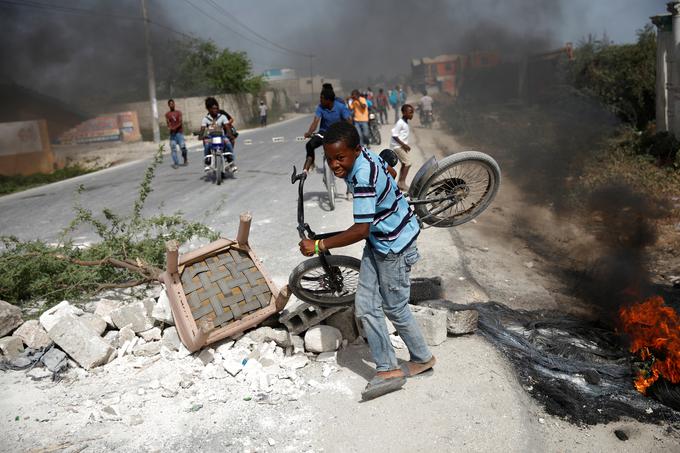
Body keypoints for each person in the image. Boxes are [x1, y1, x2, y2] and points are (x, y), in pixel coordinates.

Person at [298, 121, 436, 401]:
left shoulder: (361, 177)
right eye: (330, 158)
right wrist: (310, 155)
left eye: (340, 158)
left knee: (395, 308)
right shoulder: (358, 156)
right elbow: (316, 140)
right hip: (381, 241)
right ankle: (390, 366)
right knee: (365, 305)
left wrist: (318, 245)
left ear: (356, 151)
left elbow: (361, 229)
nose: (335, 164)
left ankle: (419, 359)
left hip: (394, 245)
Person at [302, 86, 352, 174]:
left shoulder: (340, 107)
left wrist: (348, 132)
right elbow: (315, 122)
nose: (320, 101)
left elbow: (349, 121)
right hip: (323, 132)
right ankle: (311, 164)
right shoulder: (320, 107)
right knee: (309, 145)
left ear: (329, 100)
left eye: (322, 99)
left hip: (337, 132)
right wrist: (309, 132)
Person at [199, 97, 236, 173]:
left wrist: (230, 135)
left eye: (216, 108)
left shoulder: (222, 116)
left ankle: (231, 161)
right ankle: (207, 161)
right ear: (209, 109)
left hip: (221, 136)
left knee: (228, 143)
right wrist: (201, 135)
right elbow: (202, 129)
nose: (215, 110)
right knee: (206, 145)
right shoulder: (206, 119)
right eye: (213, 108)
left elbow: (227, 127)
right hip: (211, 137)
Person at [391, 104, 415, 192]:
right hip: (397, 147)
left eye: (412, 113)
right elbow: (394, 135)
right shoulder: (400, 123)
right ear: (404, 113)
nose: (412, 114)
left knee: (404, 164)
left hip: (400, 146)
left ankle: (400, 183)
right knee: (408, 163)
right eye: (410, 112)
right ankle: (402, 183)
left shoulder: (405, 122)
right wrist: (404, 145)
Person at [165, 99, 188, 168]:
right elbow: (168, 123)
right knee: (173, 149)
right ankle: (176, 163)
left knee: (183, 148)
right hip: (172, 135)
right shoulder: (167, 114)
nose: (172, 105)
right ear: (168, 105)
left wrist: (175, 127)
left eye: (173, 104)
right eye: (170, 104)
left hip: (179, 133)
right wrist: (170, 127)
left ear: (174, 104)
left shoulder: (178, 112)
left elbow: (180, 122)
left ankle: (185, 159)